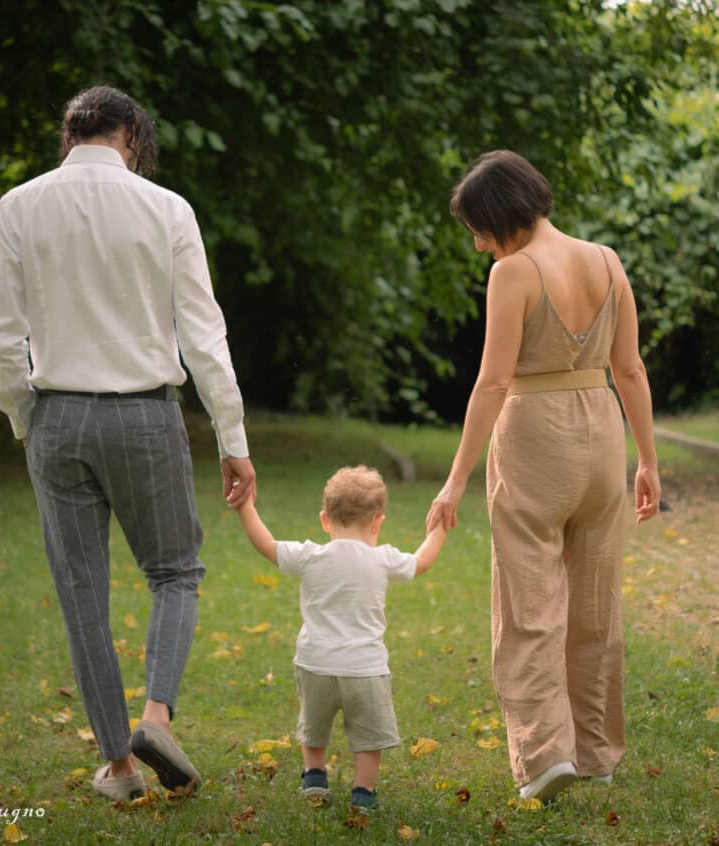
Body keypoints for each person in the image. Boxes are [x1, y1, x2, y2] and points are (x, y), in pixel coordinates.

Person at [0, 84, 255, 802]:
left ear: (70, 135)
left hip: (58, 417)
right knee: (173, 572)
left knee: (82, 596)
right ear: (131, 135)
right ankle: (156, 716)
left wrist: (23, 421)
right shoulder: (167, 209)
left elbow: (2, 342)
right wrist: (233, 436)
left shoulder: (19, 205)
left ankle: (120, 767)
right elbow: (204, 335)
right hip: (143, 416)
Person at [425, 150, 660, 804]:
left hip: (535, 437)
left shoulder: (514, 273)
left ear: (499, 216)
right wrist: (647, 460)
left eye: (477, 229)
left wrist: (453, 481)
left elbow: (494, 382)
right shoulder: (607, 260)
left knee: (528, 605)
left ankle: (545, 754)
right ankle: (597, 751)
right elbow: (631, 369)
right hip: (601, 437)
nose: (478, 244)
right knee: (595, 604)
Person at [234, 465, 446, 811]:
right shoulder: (382, 559)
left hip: (315, 664)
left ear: (324, 519)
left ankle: (314, 775)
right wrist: (439, 527)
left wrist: (245, 506)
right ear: (377, 523)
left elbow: (267, 545)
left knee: (313, 725)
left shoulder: (310, 556)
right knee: (368, 737)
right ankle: (363, 793)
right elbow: (421, 562)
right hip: (365, 670)